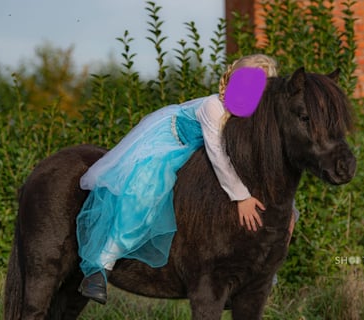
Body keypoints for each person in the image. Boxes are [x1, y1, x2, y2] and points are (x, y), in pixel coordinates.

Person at [76, 54, 286, 304]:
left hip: (202, 152)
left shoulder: (257, 118)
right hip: (172, 141)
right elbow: (218, 153)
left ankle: (259, 270)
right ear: (229, 78)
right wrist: (241, 197)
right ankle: (101, 265)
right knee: (144, 192)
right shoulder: (213, 107)